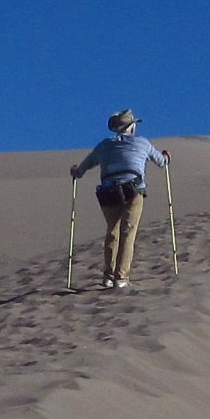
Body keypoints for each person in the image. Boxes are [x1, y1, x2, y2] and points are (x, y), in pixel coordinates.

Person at [70, 109, 172, 289]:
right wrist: (166, 157)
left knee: (112, 232)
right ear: (131, 127)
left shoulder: (103, 146)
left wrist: (76, 172)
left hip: (108, 193)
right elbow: (161, 162)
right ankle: (121, 277)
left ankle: (108, 276)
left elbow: (83, 168)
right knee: (128, 232)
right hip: (133, 190)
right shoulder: (143, 143)